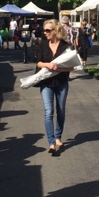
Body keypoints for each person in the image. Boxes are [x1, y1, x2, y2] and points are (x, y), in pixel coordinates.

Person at [36, 19, 74, 154]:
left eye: (48, 30)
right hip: (46, 82)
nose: (45, 33)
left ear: (56, 30)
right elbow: (38, 63)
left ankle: (58, 137)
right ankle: (51, 142)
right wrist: (47, 65)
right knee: (48, 112)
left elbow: (72, 66)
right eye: (44, 30)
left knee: (61, 110)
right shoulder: (43, 45)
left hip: (61, 82)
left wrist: (59, 69)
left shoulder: (66, 46)